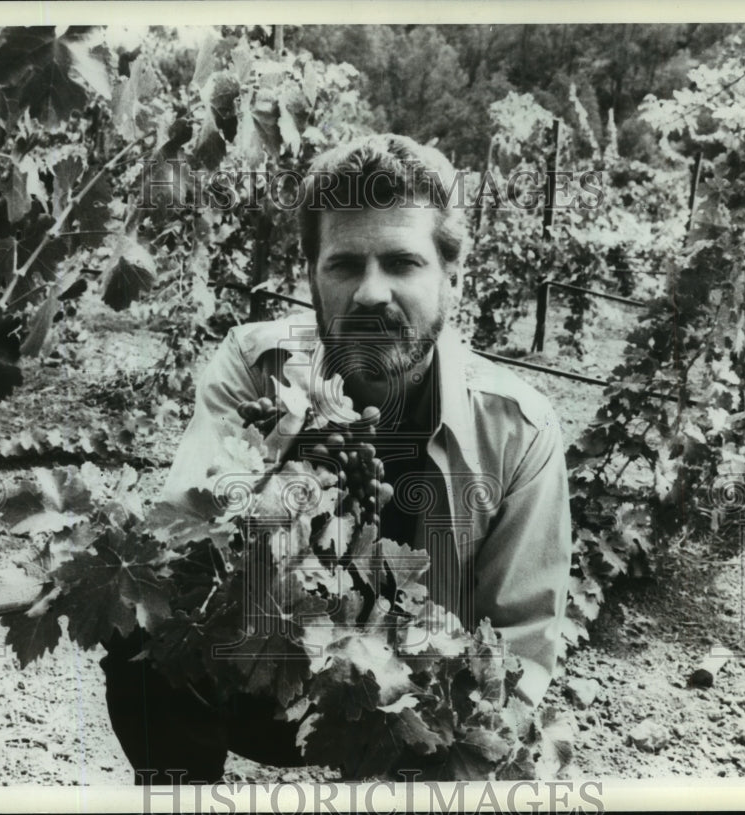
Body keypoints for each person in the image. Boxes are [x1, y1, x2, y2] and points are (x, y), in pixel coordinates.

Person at [100, 133, 572, 783]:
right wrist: (272, 492)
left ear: (452, 277)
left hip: (409, 710)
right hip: (269, 678)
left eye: (402, 262)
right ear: (313, 276)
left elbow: (519, 652)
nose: (371, 293)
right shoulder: (257, 367)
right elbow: (180, 531)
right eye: (346, 265)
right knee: (143, 634)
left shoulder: (518, 430)